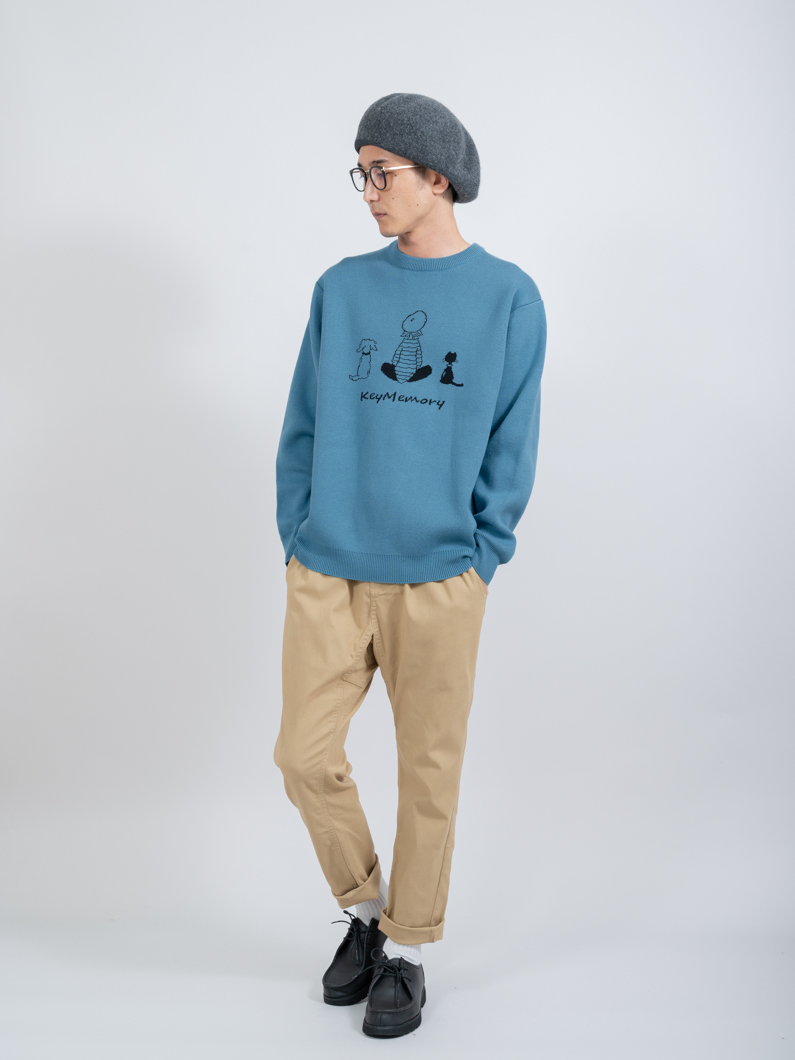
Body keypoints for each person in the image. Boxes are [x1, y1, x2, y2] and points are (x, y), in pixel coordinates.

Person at [274, 92, 547, 1039]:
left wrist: (481, 553)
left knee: (429, 774)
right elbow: (303, 425)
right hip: (329, 569)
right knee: (302, 756)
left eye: (381, 171)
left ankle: (408, 948)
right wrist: (298, 531)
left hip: (440, 576)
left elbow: (512, 440)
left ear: (437, 175)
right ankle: (365, 911)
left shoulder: (508, 296)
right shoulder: (341, 288)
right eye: (360, 173)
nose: (368, 190)